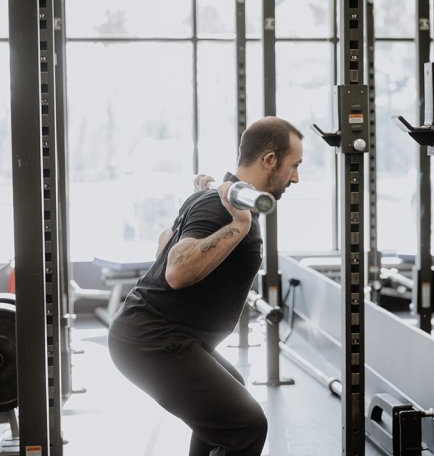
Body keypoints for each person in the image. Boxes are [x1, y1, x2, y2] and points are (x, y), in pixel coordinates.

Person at [108, 117, 304, 456]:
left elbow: (162, 248)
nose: (296, 177)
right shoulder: (224, 207)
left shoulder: (212, 199)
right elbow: (176, 271)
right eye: (294, 166)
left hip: (162, 337)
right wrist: (239, 228)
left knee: (230, 406)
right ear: (269, 160)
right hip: (154, 340)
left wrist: (194, 208)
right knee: (246, 425)